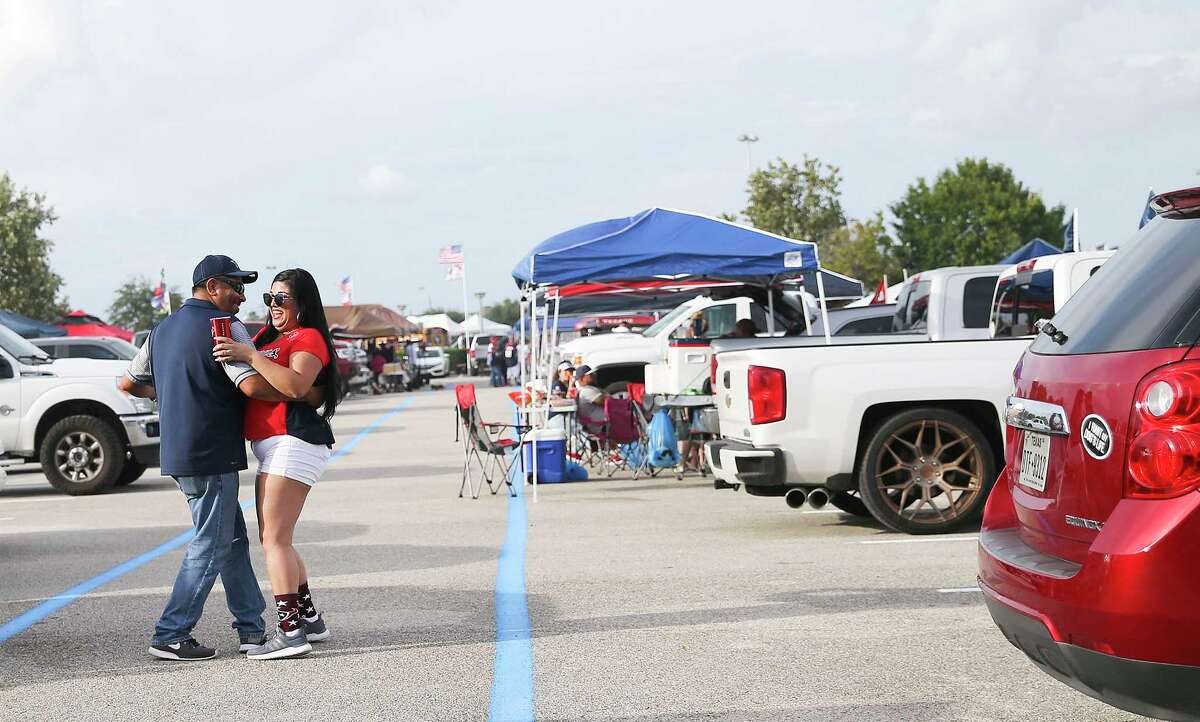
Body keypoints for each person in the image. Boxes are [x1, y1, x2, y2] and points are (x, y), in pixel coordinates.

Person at [120, 254, 303, 661]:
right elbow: (252, 386)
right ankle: (171, 632)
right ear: (213, 286)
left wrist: (170, 396)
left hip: (180, 451)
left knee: (231, 538)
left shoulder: (160, 329)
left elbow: (128, 383)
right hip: (212, 450)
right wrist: (299, 394)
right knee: (212, 542)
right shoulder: (224, 326)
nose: (242, 296)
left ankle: (251, 630)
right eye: (236, 287)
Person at [212, 268, 338, 660]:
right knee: (276, 537)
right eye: (269, 298)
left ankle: (291, 631)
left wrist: (249, 355)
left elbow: (300, 387)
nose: (273, 306)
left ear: (302, 303)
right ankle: (310, 620)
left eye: (281, 299)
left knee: (274, 540)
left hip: (294, 441)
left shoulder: (308, 337)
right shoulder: (268, 337)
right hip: (270, 444)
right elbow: (266, 387)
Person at [574, 365, 606, 430]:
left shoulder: (589, 388)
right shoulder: (586, 391)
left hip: (604, 422)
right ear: (582, 378)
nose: (594, 375)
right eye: (590, 375)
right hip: (600, 425)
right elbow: (608, 402)